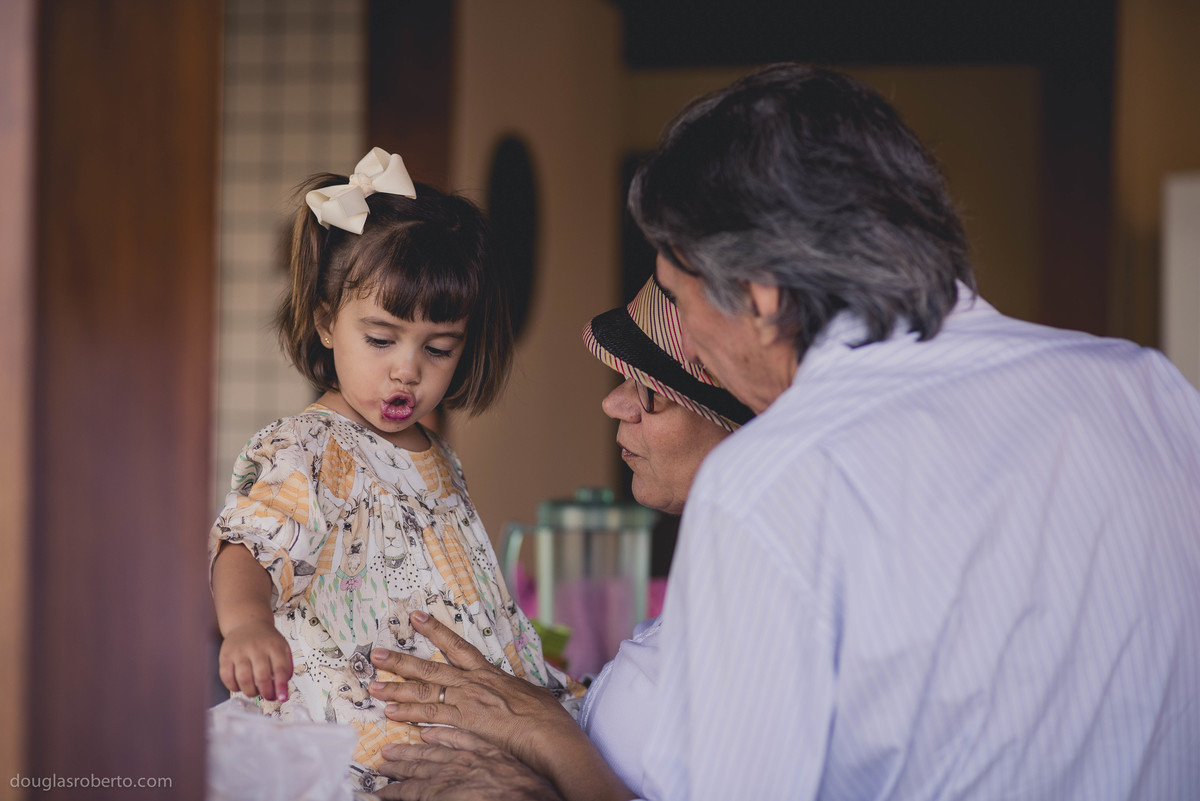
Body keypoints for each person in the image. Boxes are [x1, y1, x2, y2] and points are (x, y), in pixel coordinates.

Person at [371, 63, 1200, 801]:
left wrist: (546, 744)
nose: (684, 340)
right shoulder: (1146, 385)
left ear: (762, 297)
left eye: (679, 294)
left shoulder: (780, 478)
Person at [208, 147, 576, 796]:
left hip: (455, 713)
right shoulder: (308, 445)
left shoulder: (437, 455)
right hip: (366, 721)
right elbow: (249, 545)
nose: (407, 369)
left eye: (438, 348)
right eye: (381, 339)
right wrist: (246, 625)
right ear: (326, 322)